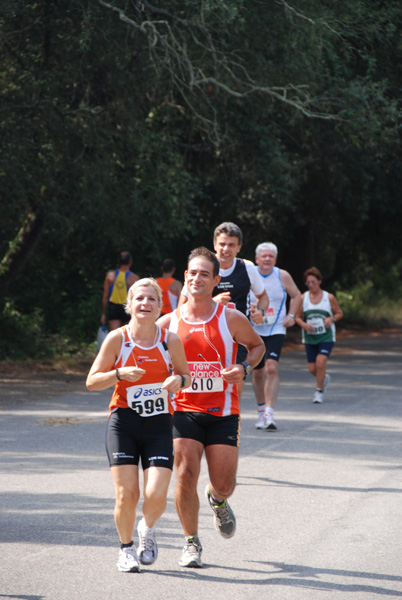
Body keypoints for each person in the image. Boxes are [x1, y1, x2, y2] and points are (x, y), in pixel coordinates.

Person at [158, 247, 264, 568]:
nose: (197, 278)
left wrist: (243, 369)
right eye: (193, 273)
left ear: (217, 280)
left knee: (225, 484)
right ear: (185, 278)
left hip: (223, 413)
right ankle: (191, 542)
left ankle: (217, 500)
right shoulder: (168, 323)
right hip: (184, 411)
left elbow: (257, 346)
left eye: (205, 273)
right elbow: (148, 356)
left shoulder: (230, 318)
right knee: (185, 472)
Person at [87, 278, 191, 573]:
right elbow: (92, 381)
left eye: (152, 299)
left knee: (156, 494)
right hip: (124, 423)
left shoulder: (170, 340)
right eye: (140, 299)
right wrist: (119, 373)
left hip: (159, 424)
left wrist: (178, 381)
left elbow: (186, 377)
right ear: (129, 305)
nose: (145, 304)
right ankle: (126, 549)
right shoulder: (117, 339)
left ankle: (146, 528)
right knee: (126, 493)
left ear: (160, 306)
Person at [178, 222, 268, 398]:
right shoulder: (203, 267)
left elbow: (263, 297)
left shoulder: (247, 268)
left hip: (237, 338)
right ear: (214, 245)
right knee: (201, 386)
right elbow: (181, 306)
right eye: (222, 244)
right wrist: (212, 302)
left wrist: (260, 312)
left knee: (234, 389)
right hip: (203, 335)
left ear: (239, 248)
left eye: (231, 245)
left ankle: (231, 423)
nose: (226, 249)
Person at [250, 242, 302, 430]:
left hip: (276, 329)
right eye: (263, 256)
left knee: (271, 368)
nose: (267, 259)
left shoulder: (282, 275)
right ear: (257, 259)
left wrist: (292, 315)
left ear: (275, 259)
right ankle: (261, 411)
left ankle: (270, 414)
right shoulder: (250, 274)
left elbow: (297, 296)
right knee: (257, 373)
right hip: (254, 330)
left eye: (271, 256)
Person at [295, 267, 343, 403]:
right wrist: (304, 325)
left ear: (320, 281)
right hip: (310, 337)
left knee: (321, 362)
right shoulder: (303, 298)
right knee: (312, 368)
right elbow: (297, 317)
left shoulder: (329, 297)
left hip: (326, 336)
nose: (311, 285)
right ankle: (323, 379)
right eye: (308, 283)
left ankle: (318, 392)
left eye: (313, 282)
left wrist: (331, 319)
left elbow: (339, 313)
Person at [101, 251, 139, 331]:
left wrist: (103, 314)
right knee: (127, 336)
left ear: (119, 261)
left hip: (114, 307)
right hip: (127, 308)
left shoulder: (110, 275)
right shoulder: (134, 278)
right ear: (130, 262)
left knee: (114, 335)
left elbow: (105, 296)